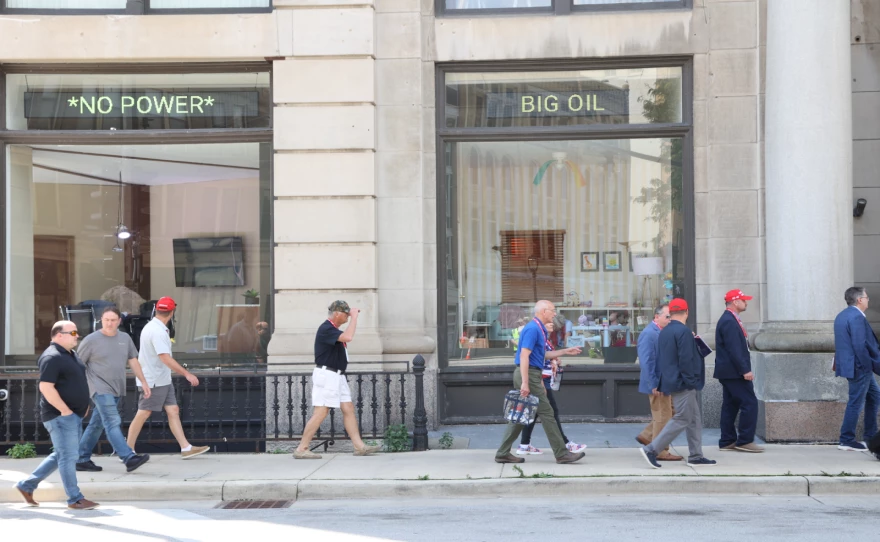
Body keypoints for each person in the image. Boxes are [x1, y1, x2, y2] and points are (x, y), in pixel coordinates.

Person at [14, 321, 99, 510]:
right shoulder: (51, 357)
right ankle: (75, 498)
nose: (77, 335)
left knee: (63, 454)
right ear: (59, 335)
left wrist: (81, 406)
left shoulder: (71, 354)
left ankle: (27, 485)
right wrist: (65, 410)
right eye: (73, 332)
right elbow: (45, 386)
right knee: (68, 456)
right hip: (60, 417)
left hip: (73, 415)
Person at [494, 300, 586, 464]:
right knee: (547, 413)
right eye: (552, 310)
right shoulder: (533, 328)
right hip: (528, 374)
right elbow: (524, 355)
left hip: (531, 374)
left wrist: (565, 351)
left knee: (520, 416)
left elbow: (540, 355)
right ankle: (561, 453)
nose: (555, 313)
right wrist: (525, 382)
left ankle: (502, 453)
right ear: (543, 311)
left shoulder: (538, 328)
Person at [294, 301, 382, 459]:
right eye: (346, 313)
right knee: (321, 411)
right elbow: (348, 337)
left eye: (349, 313)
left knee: (348, 408)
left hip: (337, 375)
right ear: (336, 313)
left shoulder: (333, 330)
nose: (348, 315)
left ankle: (359, 446)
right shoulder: (326, 328)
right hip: (327, 375)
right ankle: (302, 448)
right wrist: (355, 318)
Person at [125, 297, 210, 459]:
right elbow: (165, 357)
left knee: (173, 410)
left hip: (161, 378)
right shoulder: (157, 331)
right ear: (172, 312)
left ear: (157, 310)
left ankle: (186, 448)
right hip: (154, 380)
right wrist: (187, 373)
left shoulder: (154, 327)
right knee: (143, 412)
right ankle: (127, 451)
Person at [638, 298, 715, 469]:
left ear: (671, 313)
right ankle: (652, 449)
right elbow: (685, 360)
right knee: (682, 417)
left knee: (694, 419)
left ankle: (696, 455)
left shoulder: (665, 331)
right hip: (683, 382)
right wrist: (691, 381)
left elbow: (663, 359)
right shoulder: (684, 332)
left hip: (672, 380)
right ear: (687, 312)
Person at [76, 306, 152, 472]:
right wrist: (80, 392)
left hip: (117, 388)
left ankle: (81, 459)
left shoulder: (125, 338)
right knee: (112, 421)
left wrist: (144, 382)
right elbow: (78, 366)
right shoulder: (90, 340)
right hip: (98, 387)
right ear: (101, 321)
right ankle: (128, 457)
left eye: (113, 320)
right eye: (106, 320)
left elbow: (133, 361)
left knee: (97, 424)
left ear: (119, 321)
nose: (109, 323)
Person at [516, 320, 588, 456]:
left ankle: (524, 444)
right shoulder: (535, 333)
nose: (551, 325)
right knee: (550, 412)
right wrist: (531, 381)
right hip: (540, 378)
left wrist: (557, 358)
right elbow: (529, 357)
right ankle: (565, 444)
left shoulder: (545, 339)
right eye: (548, 323)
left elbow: (544, 356)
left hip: (542, 378)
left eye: (552, 324)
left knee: (533, 411)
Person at [715, 289, 763, 453]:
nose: (746, 302)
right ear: (735, 302)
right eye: (743, 300)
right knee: (750, 403)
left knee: (730, 405)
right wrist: (745, 370)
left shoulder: (729, 319)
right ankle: (745, 440)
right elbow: (734, 349)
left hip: (729, 371)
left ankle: (727, 440)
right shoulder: (729, 321)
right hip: (734, 372)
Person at [833, 286, 880, 451]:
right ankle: (846, 439)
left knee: (875, 397)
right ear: (860, 300)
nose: (868, 300)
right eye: (866, 297)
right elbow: (860, 346)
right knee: (856, 403)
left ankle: (870, 436)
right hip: (860, 367)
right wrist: (869, 366)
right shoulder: (856, 318)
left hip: (852, 366)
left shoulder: (842, 315)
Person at [634, 303, 682, 461]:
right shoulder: (649, 333)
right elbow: (647, 361)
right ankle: (660, 450)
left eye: (671, 316)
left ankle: (648, 436)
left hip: (666, 382)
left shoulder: (661, 331)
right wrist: (654, 383)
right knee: (663, 416)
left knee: (672, 412)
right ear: (657, 317)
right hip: (658, 383)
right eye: (667, 316)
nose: (670, 320)